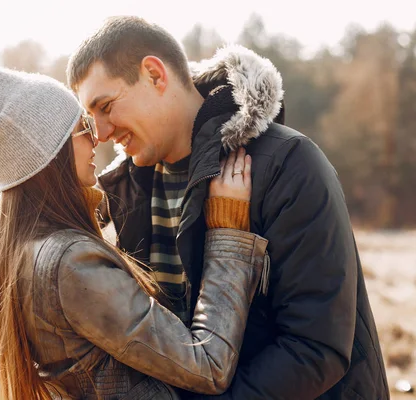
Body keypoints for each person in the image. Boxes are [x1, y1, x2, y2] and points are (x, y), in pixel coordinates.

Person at [67, 16, 389, 399]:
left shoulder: (289, 163)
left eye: (106, 106)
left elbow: (316, 347)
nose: (101, 133)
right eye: (91, 118)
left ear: (154, 75)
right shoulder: (123, 189)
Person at [0, 68, 269, 400]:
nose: (96, 136)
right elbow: (209, 366)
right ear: (51, 154)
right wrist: (228, 234)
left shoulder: (16, 248)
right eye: (82, 127)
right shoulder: (70, 263)